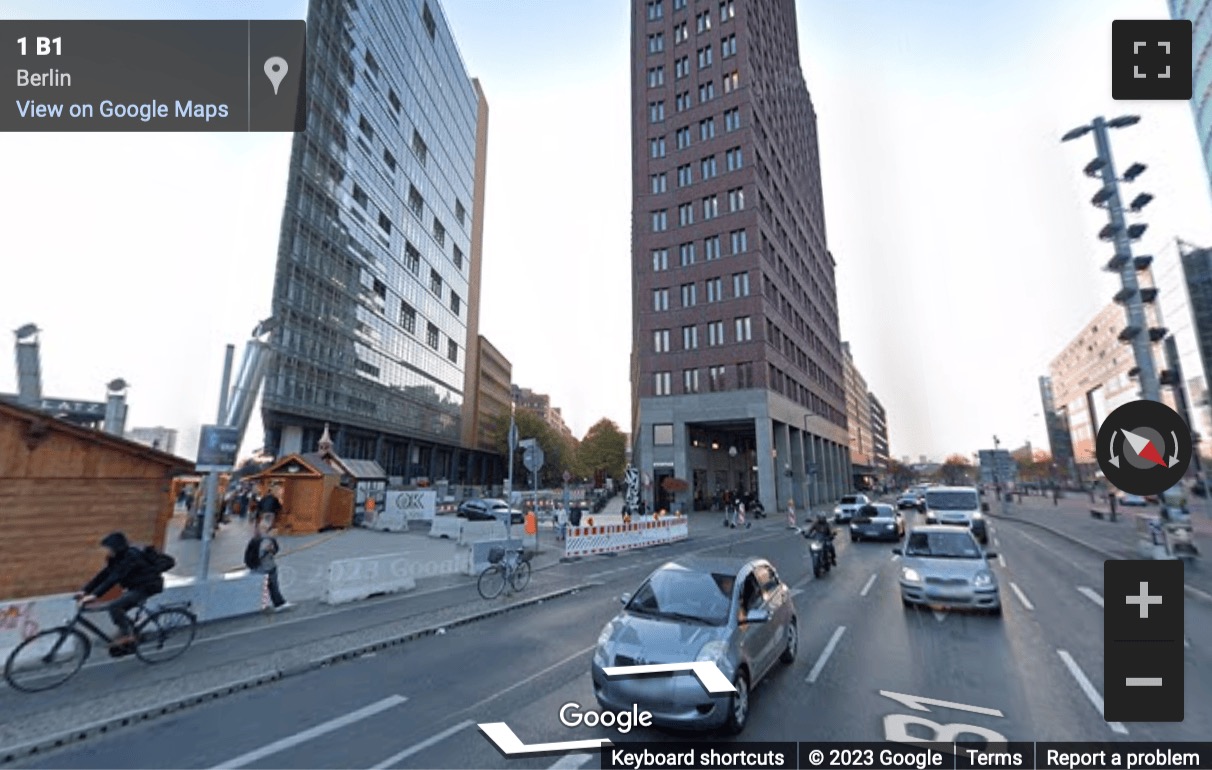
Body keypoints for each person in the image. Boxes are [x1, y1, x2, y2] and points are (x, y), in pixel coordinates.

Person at [76, 532, 165, 651]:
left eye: (110, 548)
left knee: (115, 606)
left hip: (147, 586)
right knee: (119, 610)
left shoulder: (131, 556)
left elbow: (115, 578)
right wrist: (85, 590)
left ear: (117, 547)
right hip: (135, 586)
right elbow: (104, 575)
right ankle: (131, 631)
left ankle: (128, 635)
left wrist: (94, 595)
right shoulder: (116, 557)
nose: (108, 551)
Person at [245, 520, 291, 611]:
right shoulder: (265, 540)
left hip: (264, 566)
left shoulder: (258, 539)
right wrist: (267, 550)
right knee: (270, 586)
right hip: (264, 567)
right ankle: (276, 603)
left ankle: (273, 603)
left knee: (270, 586)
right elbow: (262, 554)